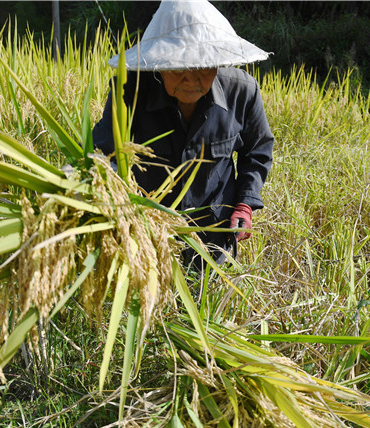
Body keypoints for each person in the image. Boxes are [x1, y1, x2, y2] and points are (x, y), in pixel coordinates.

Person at [92, 0, 274, 267]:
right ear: (160, 64)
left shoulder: (242, 92)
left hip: (213, 236)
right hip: (150, 234)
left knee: (204, 299)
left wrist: (245, 203)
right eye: (178, 67)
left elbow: (257, 152)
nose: (190, 79)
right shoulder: (129, 91)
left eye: (202, 66)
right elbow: (105, 152)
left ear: (217, 62)